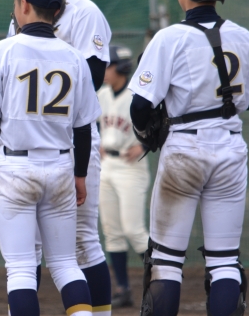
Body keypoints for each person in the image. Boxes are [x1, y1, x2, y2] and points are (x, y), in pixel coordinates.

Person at [129, 0, 249, 316]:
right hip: (230, 149)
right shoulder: (243, 37)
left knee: (165, 260)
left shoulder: (169, 38)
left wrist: (146, 133)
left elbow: (140, 106)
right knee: (224, 261)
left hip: (185, 148)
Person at [0, 0, 101, 316]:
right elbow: (83, 128)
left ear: (24, 5)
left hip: (15, 166)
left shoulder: (0, 51)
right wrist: (80, 175)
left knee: (21, 269)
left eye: (16, 1)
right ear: (56, 10)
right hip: (60, 165)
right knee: (66, 265)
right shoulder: (74, 57)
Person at [6, 0, 113, 315]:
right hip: (26, 147)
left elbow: (94, 78)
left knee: (83, 241)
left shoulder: (85, 13)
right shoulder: (20, 12)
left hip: (73, 142)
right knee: (27, 249)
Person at [96, 45, 150, 308]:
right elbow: (89, 123)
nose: (105, 70)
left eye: (109, 65)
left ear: (122, 68)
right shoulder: (102, 94)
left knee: (134, 230)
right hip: (107, 164)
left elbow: (158, 124)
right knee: (112, 232)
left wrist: (146, 144)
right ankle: (123, 290)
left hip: (131, 167)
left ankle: (162, 280)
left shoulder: (137, 96)